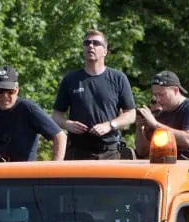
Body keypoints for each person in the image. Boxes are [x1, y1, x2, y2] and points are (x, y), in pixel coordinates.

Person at [51, 30, 136, 160]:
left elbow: (131, 114)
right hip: (77, 152)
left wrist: (110, 125)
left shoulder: (118, 78)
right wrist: (68, 124)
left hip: (110, 152)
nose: (91, 46)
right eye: (87, 43)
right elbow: (56, 115)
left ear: (105, 51)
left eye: (96, 43)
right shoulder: (71, 79)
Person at [0, 65, 66, 163]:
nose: (5, 96)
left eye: (10, 91)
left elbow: (60, 136)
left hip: (23, 173)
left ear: (17, 90)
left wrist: (54, 168)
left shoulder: (27, 108)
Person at [134, 71, 189, 161]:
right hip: (168, 165)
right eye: (155, 95)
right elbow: (142, 151)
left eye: (162, 94)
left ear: (175, 90)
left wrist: (155, 124)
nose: (158, 99)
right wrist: (139, 128)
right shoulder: (160, 115)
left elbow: (188, 140)